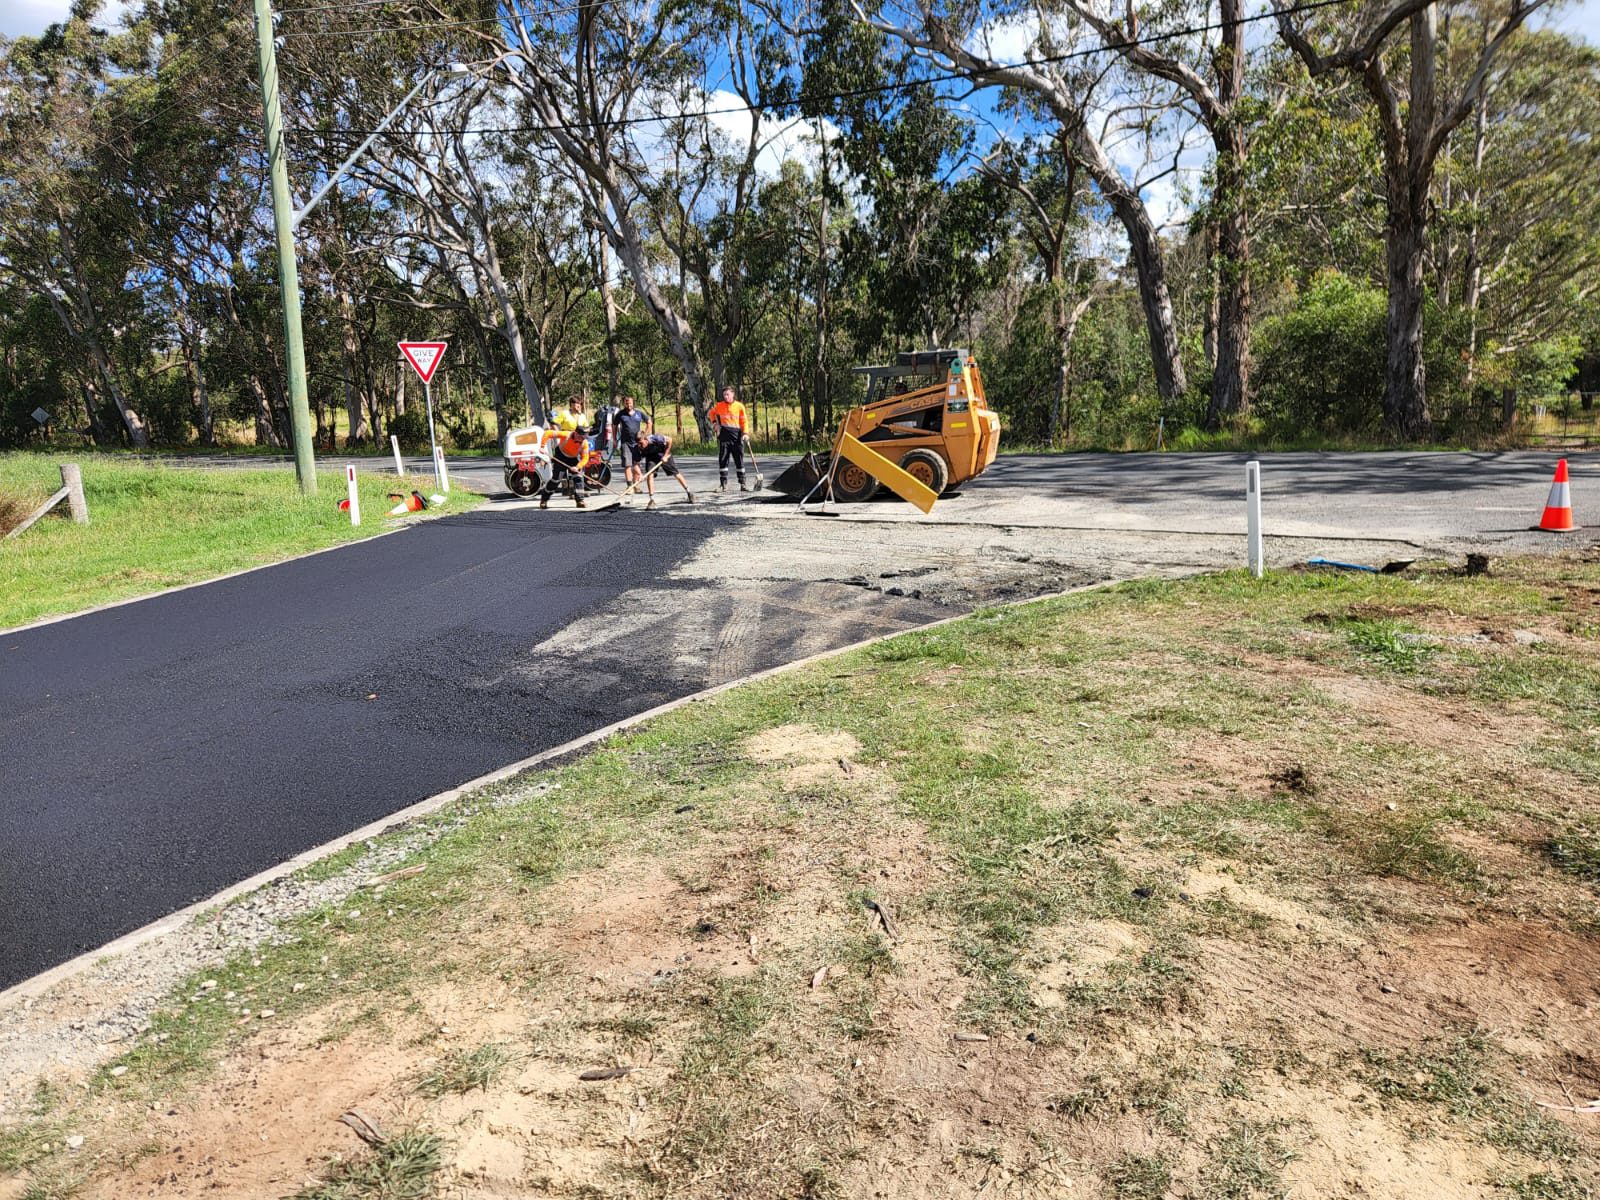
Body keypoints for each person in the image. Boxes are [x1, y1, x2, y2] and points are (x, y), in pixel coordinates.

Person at [635, 430, 694, 508]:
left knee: (675, 473)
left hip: (663, 454)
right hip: (651, 457)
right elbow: (636, 463)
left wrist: (665, 455)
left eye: (641, 443)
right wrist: (640, 475)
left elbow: (670, 440)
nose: (639, 445)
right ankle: (651, 500)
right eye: (638, 443)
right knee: (650, 474)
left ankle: (689, 493)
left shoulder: (656, 438)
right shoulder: (637, 448)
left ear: (645, 439)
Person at [707, 386, 749, 492]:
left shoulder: (739, 406)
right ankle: (723, 485)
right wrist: (715, 424)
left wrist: (745, 433)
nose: (726, 397)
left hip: (736, 436)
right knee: (723, 460)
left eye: (728, 394)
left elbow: (744, 421)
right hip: (724, 436)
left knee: (739, 460)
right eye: (724, 395)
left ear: (733, 394)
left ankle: (743, 484)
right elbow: (711, 413)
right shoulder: (719, 406)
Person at [541, 424, 591, 509]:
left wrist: (578, 467)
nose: (582, 439)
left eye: (584, 437)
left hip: (573, 458)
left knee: (578, 477)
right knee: (556, 480)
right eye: (581, 437)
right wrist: (542, 446)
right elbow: (548, 433)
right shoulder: (566, 435)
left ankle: (580, 501)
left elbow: (585, 458)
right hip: (561, 456)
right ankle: (544, 500)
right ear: (576, 433)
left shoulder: (584, 443)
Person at [613, 395, 649, 492]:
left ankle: (636, 486)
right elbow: (614, 426)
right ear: (624, 403)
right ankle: (629, 486)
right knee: (627, 465)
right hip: (626, 443)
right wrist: (614, 439)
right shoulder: (621, 414)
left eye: (630, 403)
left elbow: (649, 422)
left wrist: (645, 435)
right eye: (626, 403)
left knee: (637, 464)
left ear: (633, 403)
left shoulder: (639, 413)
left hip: (637, 444)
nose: (629, 405)